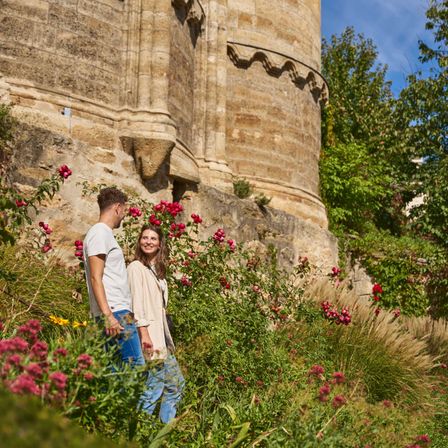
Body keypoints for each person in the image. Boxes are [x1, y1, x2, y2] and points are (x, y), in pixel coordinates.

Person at [127, 224, 184, 423]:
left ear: (160, 244)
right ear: (139, 241)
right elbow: (137, 305)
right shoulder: (136, 268)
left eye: (153, 238)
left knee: (175, 386)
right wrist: (144, 335)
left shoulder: (157, 272)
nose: (148, 242)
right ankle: (137, 434)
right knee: (154, 388)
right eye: (145, 238)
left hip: (162, 340)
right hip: (149, 337)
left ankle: (161, 434)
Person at [83, 187, 145, 367]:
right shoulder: (100, 233)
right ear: (118, 207)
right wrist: (108, 315)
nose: (124, 215)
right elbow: (96, 277)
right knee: (135, 367)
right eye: (124, 210)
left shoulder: (102, 234)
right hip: (115, 313)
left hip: (115, 312)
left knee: (115, 371)